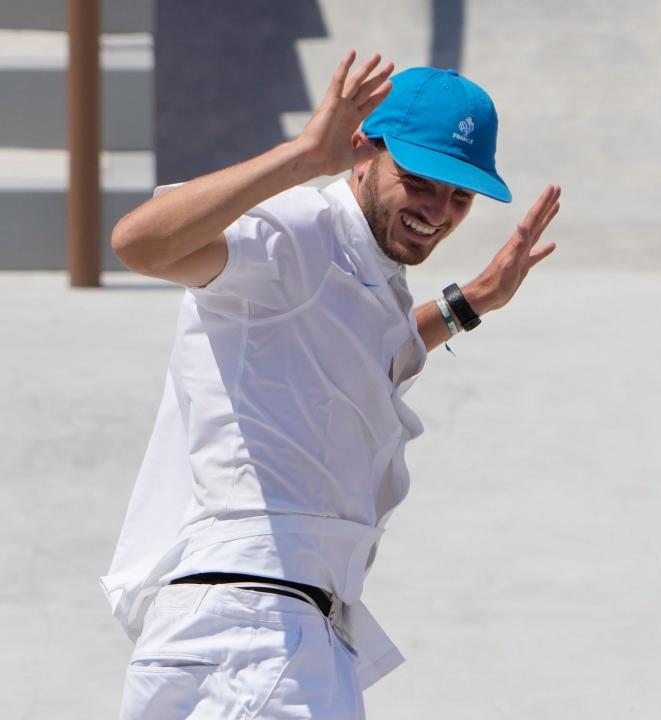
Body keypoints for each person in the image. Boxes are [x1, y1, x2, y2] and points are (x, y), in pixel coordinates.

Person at [102, 51, 560, 719]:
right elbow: (139, 244)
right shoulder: (295, 230)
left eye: (459, 195)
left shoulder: (354, 266)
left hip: (252, 628)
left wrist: (472, 302)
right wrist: (298, 158)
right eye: (420, 181)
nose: (438, 209)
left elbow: (368, 353)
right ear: (362, 153)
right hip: (256, 631)